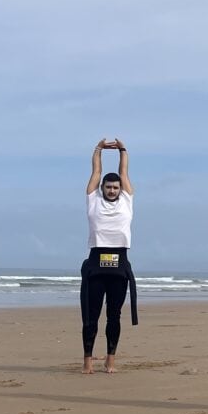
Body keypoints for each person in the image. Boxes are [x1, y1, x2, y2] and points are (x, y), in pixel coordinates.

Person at [80, 138, 137, 374]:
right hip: (96, 263)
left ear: (120, 189)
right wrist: (99, 149)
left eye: (115, 187)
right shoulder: (93, 201)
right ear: (102, 188)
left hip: (119, 264)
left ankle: (110, 360)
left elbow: (124, 171)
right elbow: (97, 171)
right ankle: (87, 361)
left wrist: (123, 149)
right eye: (108, 187)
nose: (112, 190)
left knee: (114, 316)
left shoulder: (126, 200)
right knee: (91, 316)